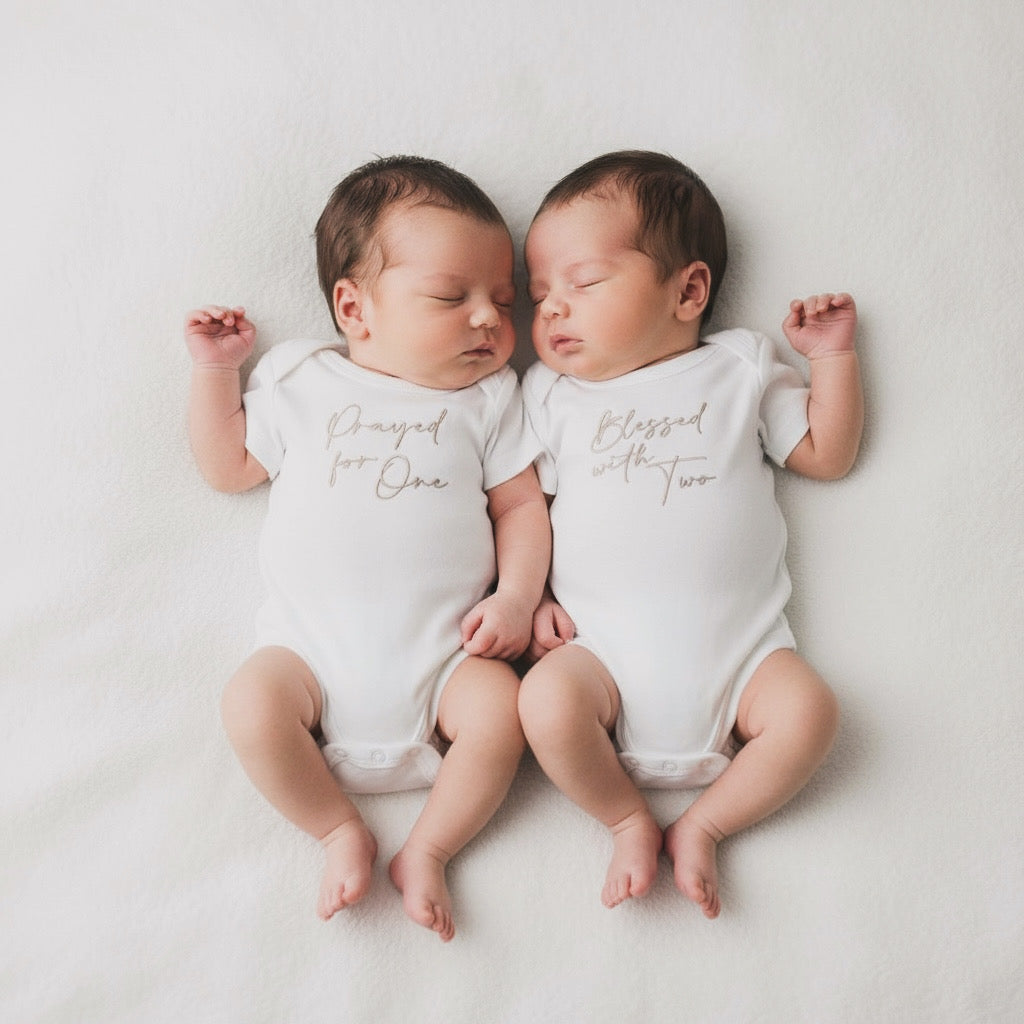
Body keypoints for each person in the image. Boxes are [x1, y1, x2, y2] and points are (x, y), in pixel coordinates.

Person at [185, 156, 549, 943]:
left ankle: (430, 847)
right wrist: (217, 373)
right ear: (354, 308)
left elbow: (521, 507)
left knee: (504, 714)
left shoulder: (489, 401)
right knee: (249, 705)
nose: (488, 318)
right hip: (309, 660)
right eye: (453, 297)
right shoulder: (300, 381)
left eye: (504, 299)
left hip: (448, 662)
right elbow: (228, 466)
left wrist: (516, 598)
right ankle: (335, 830)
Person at [517, 150, 863, 919]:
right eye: (539, 293)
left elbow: (826, 454)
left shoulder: (737, 367)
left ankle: (706, 824)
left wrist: (832, 360)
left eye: (584, 282)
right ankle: (625, 818)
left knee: (812, 713)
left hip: (744, 660)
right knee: (541, 704)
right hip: (598, 659)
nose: (551, 309)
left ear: (689, 290)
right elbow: (521, 508)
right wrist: (532, 594)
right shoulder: (550, 396)